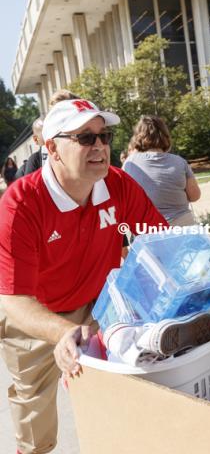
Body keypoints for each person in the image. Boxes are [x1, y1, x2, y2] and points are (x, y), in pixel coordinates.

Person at [0, 98, 174, 454]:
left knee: (121, 389)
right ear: (52, 149)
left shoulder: (119, 184)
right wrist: (63, 332)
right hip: (35, 313)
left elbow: (160, 245)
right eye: (85, 138)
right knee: (35, 418)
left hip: (97, 303)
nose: (99, 146)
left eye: (104, 136)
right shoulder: (21, 203)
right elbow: (13, 299)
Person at [123, 115, 201, 226]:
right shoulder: (180, 162)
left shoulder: (130, 164)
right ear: (165, 135)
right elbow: (195, 196)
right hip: (183, 227)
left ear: (137, 136)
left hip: (148, 230)